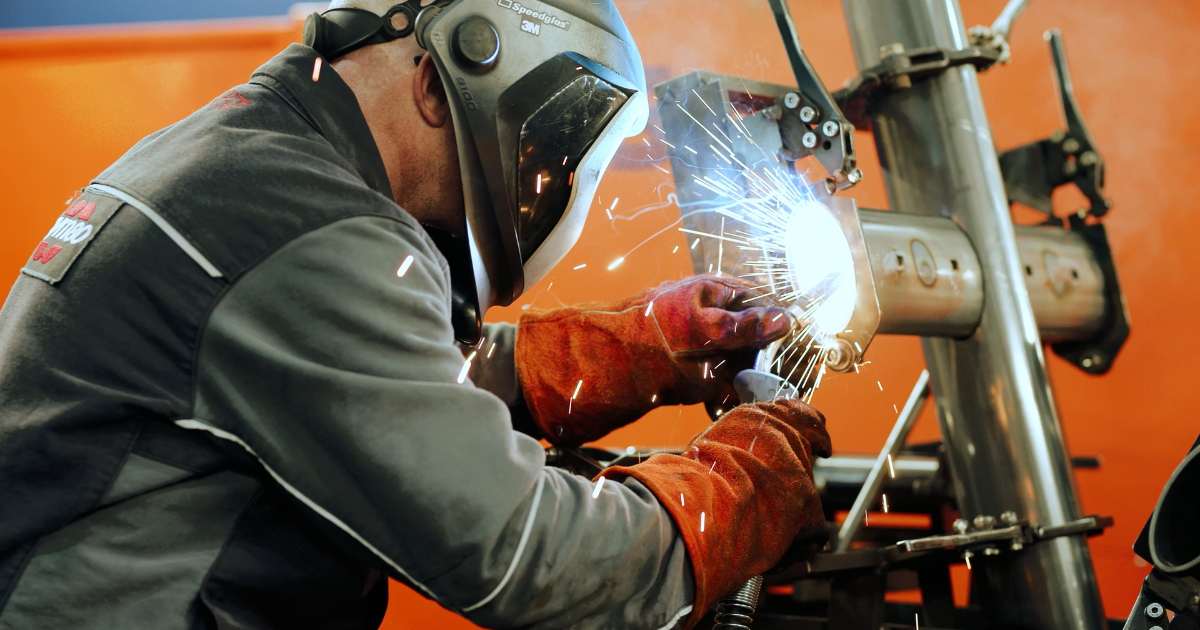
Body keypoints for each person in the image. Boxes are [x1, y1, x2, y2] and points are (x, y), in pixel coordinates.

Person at [0, 0, 832, 628]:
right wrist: (734, 492)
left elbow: (357, 380)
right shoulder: (309, 221)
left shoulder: (249, 156)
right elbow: (526, 555)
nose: (548, 180)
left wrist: (630, 349)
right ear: (446, 81)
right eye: (551, 148)